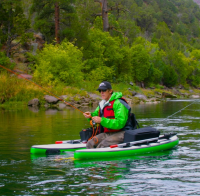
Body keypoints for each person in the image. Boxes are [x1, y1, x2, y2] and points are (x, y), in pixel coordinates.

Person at [83, 81, 133, 148]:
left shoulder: (119, 103)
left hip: (123, 132)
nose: (101, 92)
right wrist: (90, 116)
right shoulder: (102, 104)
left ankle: (97, 156)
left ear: (110, 91)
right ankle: (89, 156)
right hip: (108, 133)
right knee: (90, 143)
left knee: (103, 145)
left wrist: (102, 120)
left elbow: (120, 123)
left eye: (104, 90)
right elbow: (95, 116)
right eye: (100, 91)